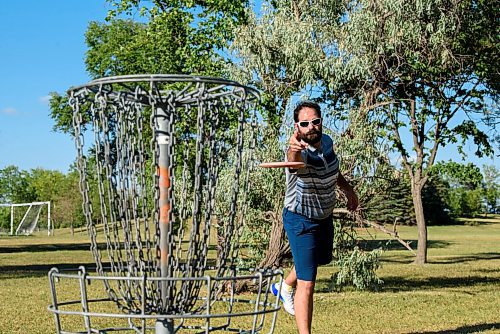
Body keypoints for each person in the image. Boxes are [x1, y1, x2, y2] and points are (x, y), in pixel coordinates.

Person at [271, 101, 358, 334]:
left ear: (321, 121)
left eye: (315, 122)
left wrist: (348, 190)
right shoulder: (298, 151)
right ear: (297, 126)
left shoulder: (327, 142)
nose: (311, 127)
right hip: (300, 218)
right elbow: (294, 161)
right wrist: (293, 148)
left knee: (316, 261)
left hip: (324, 216)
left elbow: (332, 168)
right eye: (304, 123)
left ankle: (284, 285)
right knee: (308, 283)